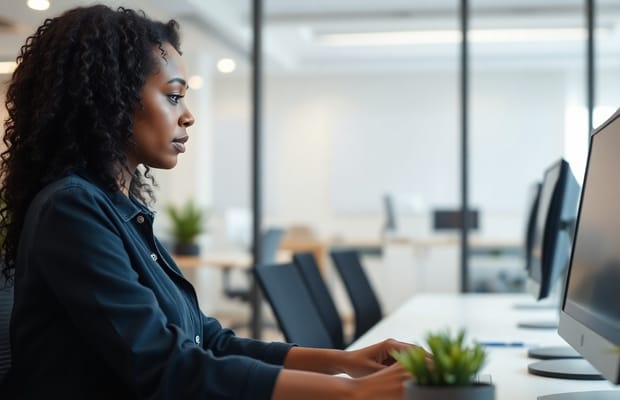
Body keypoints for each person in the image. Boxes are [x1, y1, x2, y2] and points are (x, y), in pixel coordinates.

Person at [0, 5, 412, 399]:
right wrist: (351, 393)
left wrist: (346, 364)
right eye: (174, 96)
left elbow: (207, 338)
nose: (188, 116)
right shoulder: (71, 210)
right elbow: (166, 368)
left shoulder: (119, 211)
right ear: (113, 99)